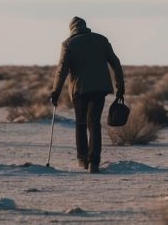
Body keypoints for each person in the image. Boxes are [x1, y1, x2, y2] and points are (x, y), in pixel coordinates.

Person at [50, 16, 125, 173]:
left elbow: (62, 69)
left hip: (80, 89)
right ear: (85, 26)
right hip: (100, 88)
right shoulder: (101, 40)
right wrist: (120, 86)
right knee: (94, 123)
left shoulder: (68, 43)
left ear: (71, 29)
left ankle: (82, 159)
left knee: (81, 123)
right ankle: (94, 162)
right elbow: (115, 63)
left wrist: (56, 91)